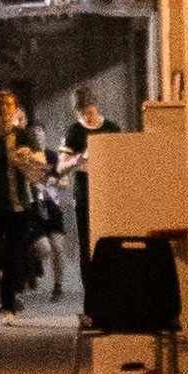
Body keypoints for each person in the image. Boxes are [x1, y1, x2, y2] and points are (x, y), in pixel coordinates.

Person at [0, 89, 47, 318]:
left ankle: (8, 304)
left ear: (15, 110)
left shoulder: (24, 135)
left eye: (8, 106)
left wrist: (28, 159)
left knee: (15, 254)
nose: (4, 110)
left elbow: (41, 166)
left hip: (20, 204)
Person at [63, 85, 118, 254]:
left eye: (89, 111)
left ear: (96, 106)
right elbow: (61, 165)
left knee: (110, 241)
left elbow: (121, 158)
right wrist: (77, 159)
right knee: (87, 244)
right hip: (84, 192)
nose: (86, 116)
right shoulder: (75, 131)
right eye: (81, 113)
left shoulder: (111, 128)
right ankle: (89, 278)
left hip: (108, 190)